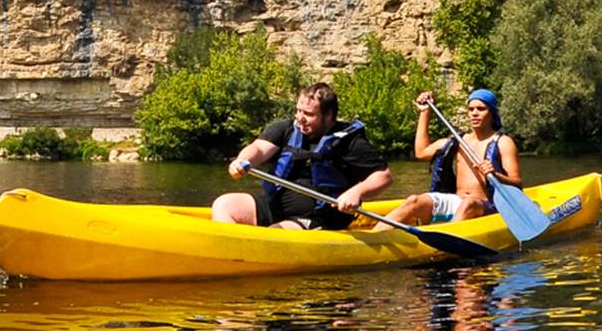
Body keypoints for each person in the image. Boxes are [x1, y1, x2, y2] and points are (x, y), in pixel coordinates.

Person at [211, 82, 394, 230]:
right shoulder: (286, 129)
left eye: (308, 114)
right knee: (224, 204)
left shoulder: (350, 142)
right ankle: (234, 253)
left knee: (277, 232)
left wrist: (356, 192)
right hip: (275, 206)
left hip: (319, 216)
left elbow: (383, 177)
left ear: (328, 115)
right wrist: (243, 160)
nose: (300, 118)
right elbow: (258, 148)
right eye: (298, 110)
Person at [379, 87, 523, 228]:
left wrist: (495, 175)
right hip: (458, 200)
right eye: (471, 109)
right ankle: (374, 237)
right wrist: (425, 113)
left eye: (481, 109)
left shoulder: (503, 142)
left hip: (489, 204)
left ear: (492, 112)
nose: (474, 113)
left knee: (469, 204)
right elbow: (421, 152)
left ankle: (444, 240)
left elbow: (517, 184)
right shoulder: (459, 140)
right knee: (413, 201)